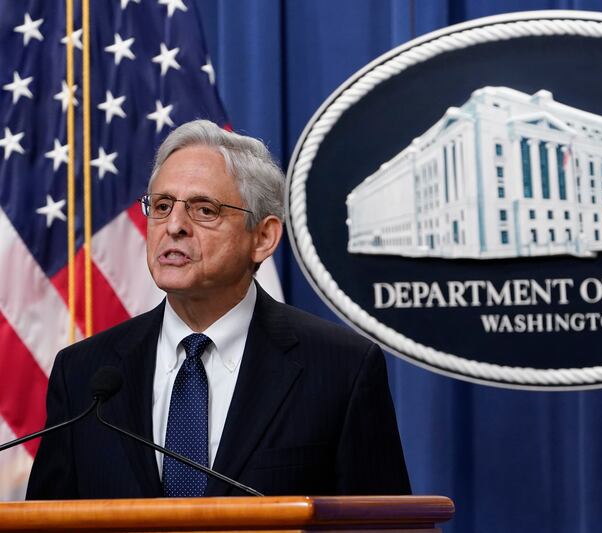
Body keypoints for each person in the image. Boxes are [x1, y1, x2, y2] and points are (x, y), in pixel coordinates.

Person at [26, 120, 410, 499]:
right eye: (161, 206)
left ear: (263, 237)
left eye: (204, 210)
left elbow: (380, 525)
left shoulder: (341, 369)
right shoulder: (83, 374)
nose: (173, 226)